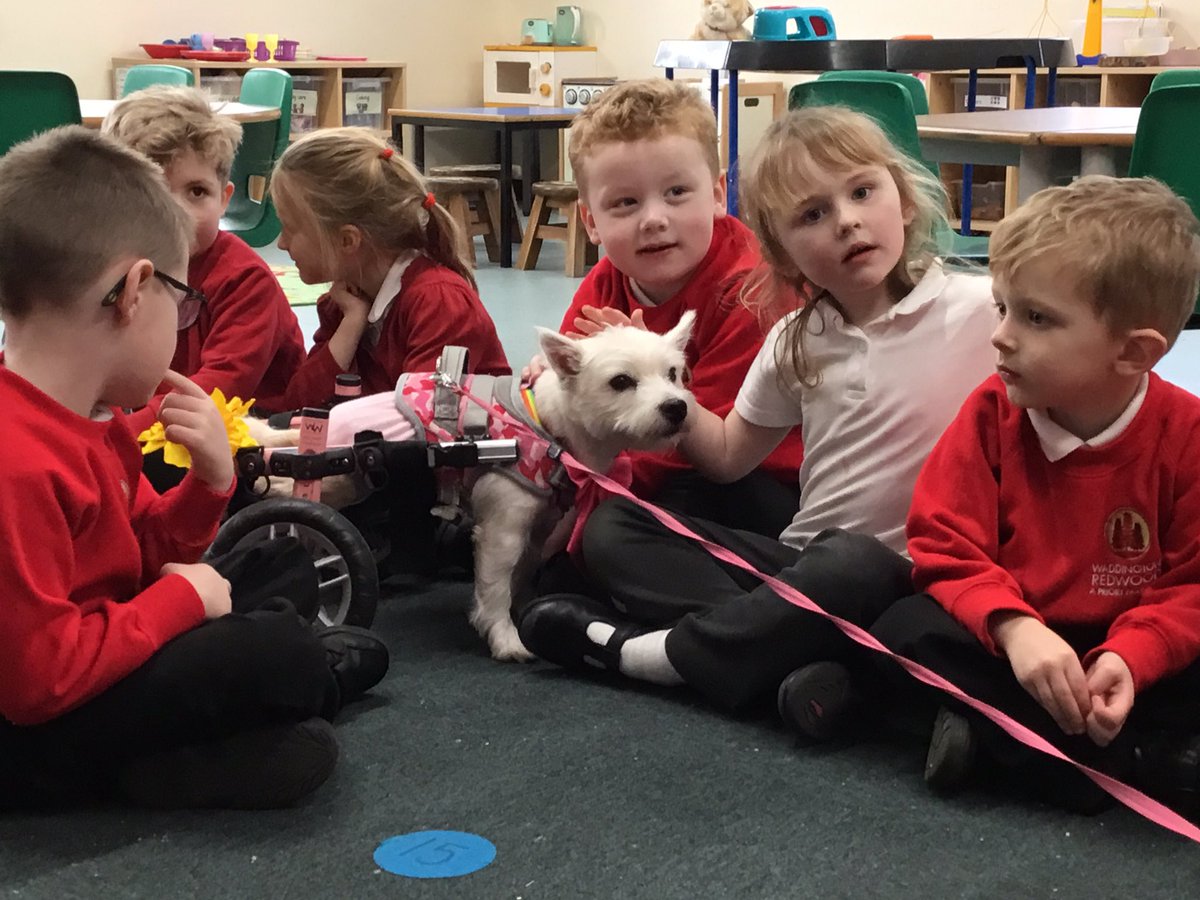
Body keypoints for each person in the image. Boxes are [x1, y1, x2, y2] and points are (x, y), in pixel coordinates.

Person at [517, 106, 996, 724]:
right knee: (616, 532)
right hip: (802, 561)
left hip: (916, 571)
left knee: (859, 566)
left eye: (862, 192)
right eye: (813, 215)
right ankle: (794, 652)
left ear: (902, 199)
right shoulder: (796, 336)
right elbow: (724, 458)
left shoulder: (983, 312)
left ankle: (655, 656)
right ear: (783, 250)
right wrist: (654, 379)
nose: (847, 222)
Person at [0, 127, 389, 811]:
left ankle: (246, 707)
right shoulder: (16, 460)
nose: (181, 320)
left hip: (104, 642)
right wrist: (185, 603)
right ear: (134, 291)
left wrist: (208, 485)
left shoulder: (97, 419)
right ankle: (278, 692)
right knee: (277, 657)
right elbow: (39, 682)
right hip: (36, 720)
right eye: (181, 302)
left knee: (278, 566)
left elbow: (145, 556)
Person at [869, 175, 1200, 816]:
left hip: (1129, 652)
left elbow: (1192, 584)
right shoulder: (992, 413)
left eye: (1037, 318)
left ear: (1133, 353)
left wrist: (1133, 657)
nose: (1002, 335)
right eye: (1002, 307)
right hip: (1012, 644)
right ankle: (1130, 764)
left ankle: (1010, 745)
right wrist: (1015, 628)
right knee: (901, 628)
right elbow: (942, 539)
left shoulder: (1185, 435)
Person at [554, 78, 805, 537]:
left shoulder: (753, 292)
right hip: (645, 473)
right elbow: (568, 404)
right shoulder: (606, 280)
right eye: (625, 202)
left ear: (716, 194)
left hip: (759, 486)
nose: (653, 219)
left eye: (676, 193)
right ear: (590, 220)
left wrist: (583, 503)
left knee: (607, 534)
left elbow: (704, 448)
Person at [102, 86, 305, 430]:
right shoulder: (115, 266)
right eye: (157, 193)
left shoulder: (244, 280)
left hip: (255, 430)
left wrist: (114, 435)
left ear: (225, 199)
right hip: (162, 421)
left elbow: (218, 389)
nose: (178, 212)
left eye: (197, 192)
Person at [273, 127, 509, 411]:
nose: (281, 243)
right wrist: (352, 325)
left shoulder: (438, 302)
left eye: (290, 229)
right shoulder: (345, 302)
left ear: (347, 240)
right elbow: (298, 406)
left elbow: (422, 423)